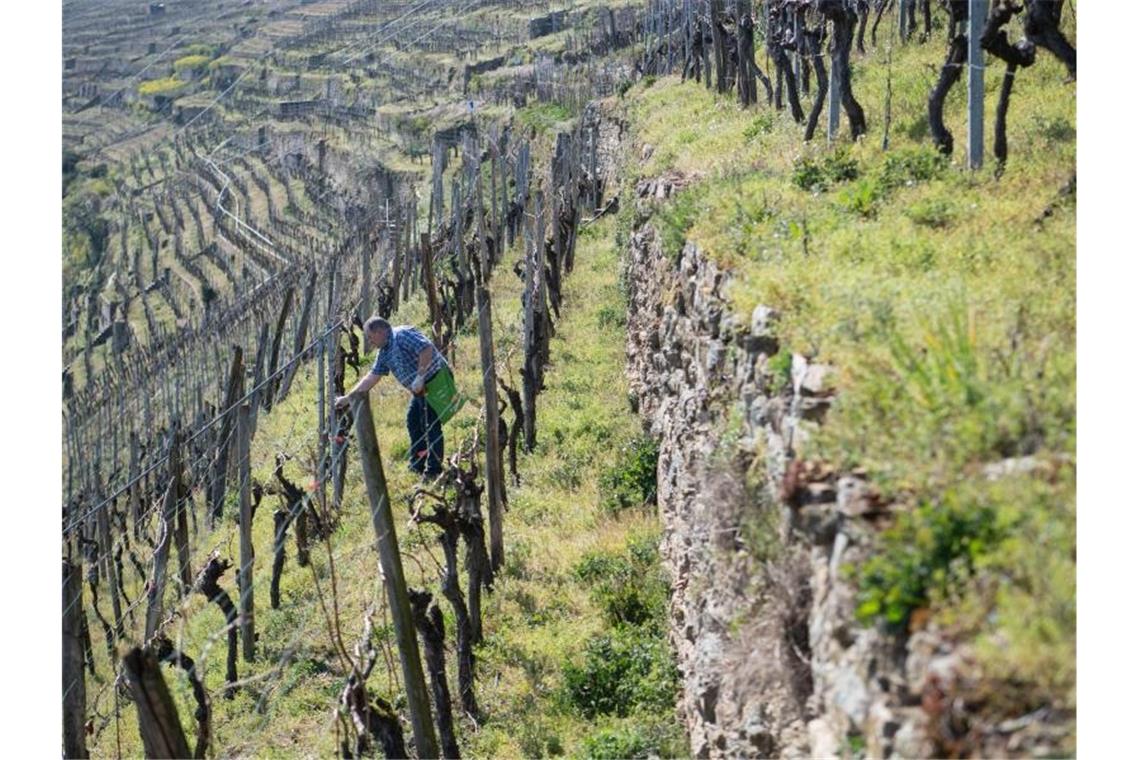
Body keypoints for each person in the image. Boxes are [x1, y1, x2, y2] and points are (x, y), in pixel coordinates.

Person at [335, 317, 453, 478]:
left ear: (380, 331)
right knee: (413, 423)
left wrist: (420, 375)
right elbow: (372, 377)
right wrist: (348, 398)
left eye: (370, 337)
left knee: (430, 425)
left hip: (434, 381)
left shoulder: (401, 335)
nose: (370, 341)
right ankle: (417, 464)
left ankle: (434, 470)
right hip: (419, 389)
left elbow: (426, 349)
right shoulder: (384, 351)